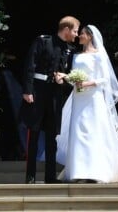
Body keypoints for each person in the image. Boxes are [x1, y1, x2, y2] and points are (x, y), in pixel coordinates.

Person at [56, 24, 118, 183]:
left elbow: (104, 78)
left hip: (93, 98)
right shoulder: (76, 56)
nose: (80, 36)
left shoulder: (99, 55)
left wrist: (88, 83)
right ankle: (79, 171)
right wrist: (67, 78)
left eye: (83, 34)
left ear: (90, 36)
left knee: (94, 131)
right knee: (78, 131)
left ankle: (96, 170)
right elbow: (74, 76)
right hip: (79, 98)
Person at [20, 16, 80, 184]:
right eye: (75, 30)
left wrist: (64, 79)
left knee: (52, 135)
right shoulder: (43, 41)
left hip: (55, 95)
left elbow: (69, 73)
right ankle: (30, 176)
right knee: (34, 134)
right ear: (66, 29)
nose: (76, 35)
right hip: (38, 93)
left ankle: (50, 177)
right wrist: (27, 90)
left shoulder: (70, 50)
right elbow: (30, 65)